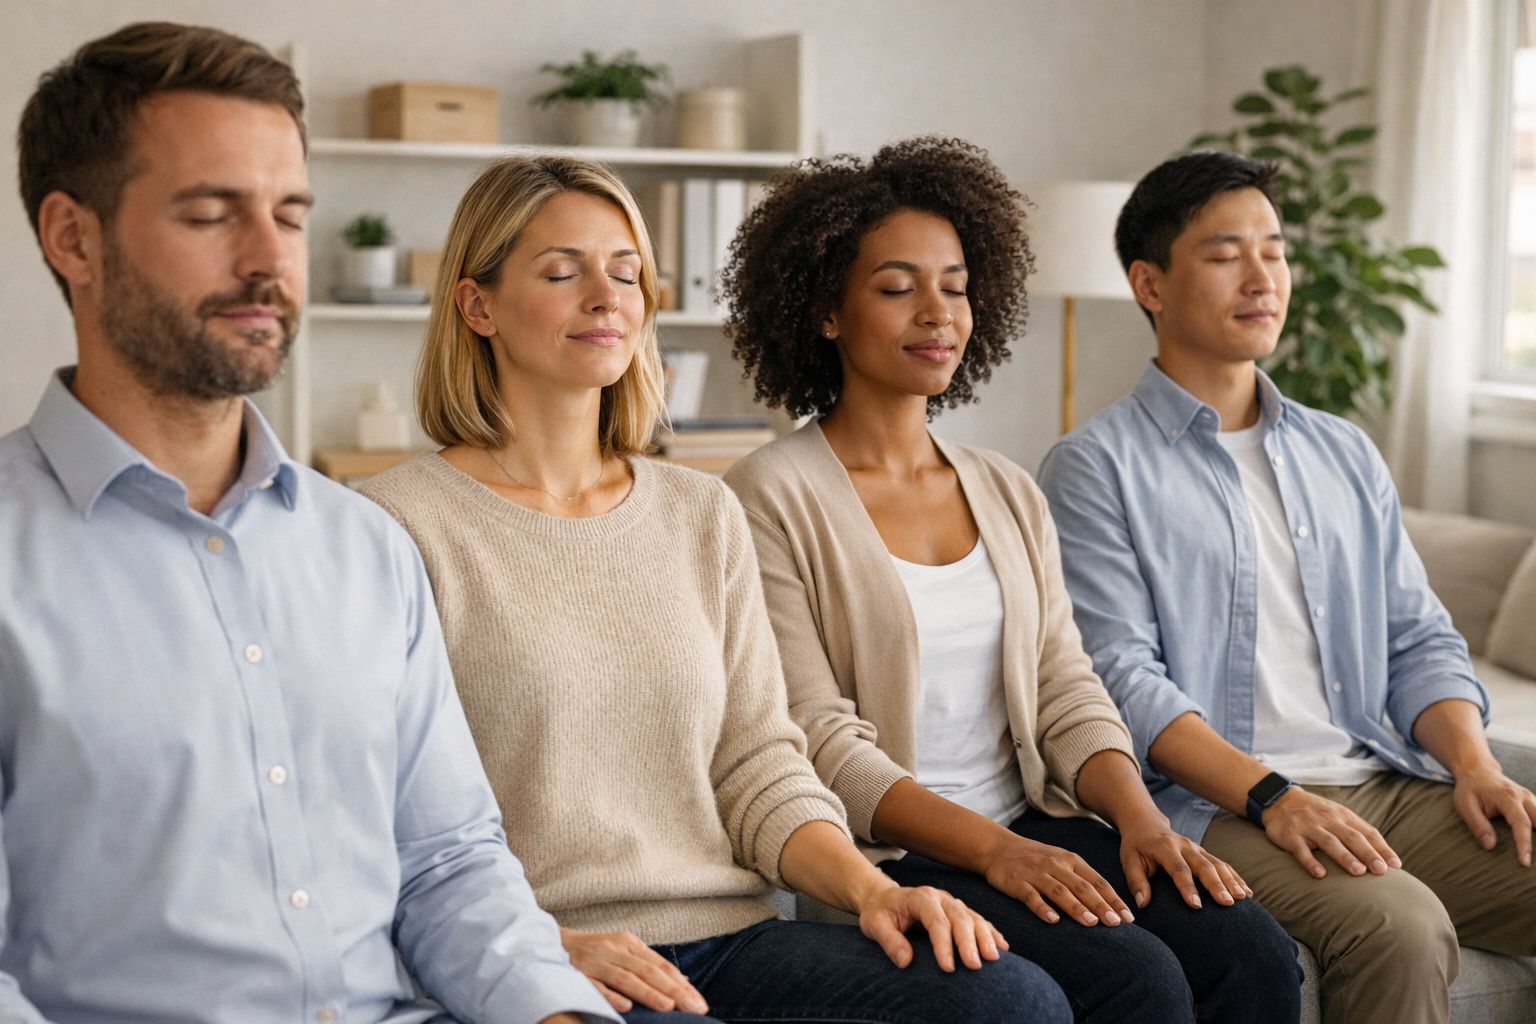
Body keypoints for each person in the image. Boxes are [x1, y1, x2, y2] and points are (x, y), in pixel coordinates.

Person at [357, 153, 1072, 1024]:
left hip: (731, 936)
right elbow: (375, 814)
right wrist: (532, 946)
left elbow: (756, 761)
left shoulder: (699, 511)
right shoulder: (393, 526)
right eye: (563, 273)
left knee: (1012, 1002)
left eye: (627, 273)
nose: (607, 297)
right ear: (478, 306)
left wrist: (872, 891)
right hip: (543, 951)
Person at [2, 22, 616, 1024]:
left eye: (289, 214)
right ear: (74, 237)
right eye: (212, 214)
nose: (268, 259)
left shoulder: (364, 548)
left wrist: (556, 1013)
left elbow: (448, 862)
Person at [717, 136, 1302, 1023]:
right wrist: (995, 853)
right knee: (1135, 977)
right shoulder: (765, 497)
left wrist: (1142, 824)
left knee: (1247, 947)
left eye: (955, 287)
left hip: (1032, 819)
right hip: (897, 854)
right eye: (897, 288)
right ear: (826, 311)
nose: (937, 314)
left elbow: (1065, 683)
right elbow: (817, 741)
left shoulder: (1004, 487)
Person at [1036, 150, 1536, 1024]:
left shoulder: (1342, 451)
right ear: (1150, 284)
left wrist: (1474, 764)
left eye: (1273, 249)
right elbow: (1121, 680)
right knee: (1400, 928)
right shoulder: (1093, 467)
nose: (1262, 276)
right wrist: (1274, 796)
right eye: (1225, 253)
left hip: (1379, 776)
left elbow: (1417, 637)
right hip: (1221, 804)